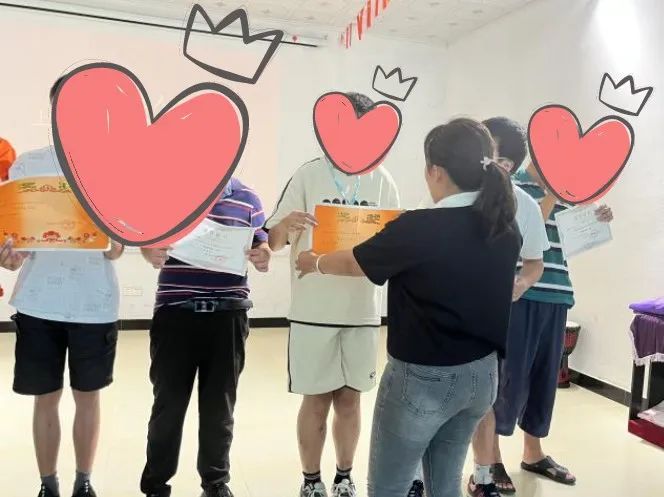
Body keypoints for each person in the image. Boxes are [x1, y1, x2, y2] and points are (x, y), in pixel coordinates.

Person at [296, 118, 522, 497]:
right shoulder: (504, 226)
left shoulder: (420, 227)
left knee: (389, 488)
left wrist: (313, 262)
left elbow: (355, 262)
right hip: (481, 378)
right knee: (445, 481)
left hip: (422, 380)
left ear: (436, 171)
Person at [264, 92, 400, 497]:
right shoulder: (308, 175)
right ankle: (311, 481)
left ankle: (344, 476)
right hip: (313, 311)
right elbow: (273, 242)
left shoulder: (383, 180)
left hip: (362, 311)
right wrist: (286, 225)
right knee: (316, 400)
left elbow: (393, 244)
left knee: (350, 401)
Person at [0, 76, 124, 497]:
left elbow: (115, 251)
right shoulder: (27, 167)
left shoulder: (113, 167)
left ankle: (83, 483)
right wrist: (8, 256)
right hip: (39, 302)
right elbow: (17, 248)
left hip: (94, 304)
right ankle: (47, 484)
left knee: (88, 396)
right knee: (46, 397)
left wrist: (111, 238)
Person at [482, 124, 614, 494]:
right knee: (508, 379)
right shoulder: (511, 186)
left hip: (557, 295)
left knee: (544, 382)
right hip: (520, 295)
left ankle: (533, 452)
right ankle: (491, 458)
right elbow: (522, 233)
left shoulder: (567, 194)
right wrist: (552, 197)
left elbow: (572, 240)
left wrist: (596, 218)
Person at [139, 177, 271, 497]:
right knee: (168, 405)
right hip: (176, 313)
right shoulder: (169, 191)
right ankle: (156, 485)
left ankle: (215, 483)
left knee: (219, 408)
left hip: (228, 315)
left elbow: (261, 243)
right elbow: (146, 241)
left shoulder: (247, 197)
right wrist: (149, 251)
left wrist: (263, 254)